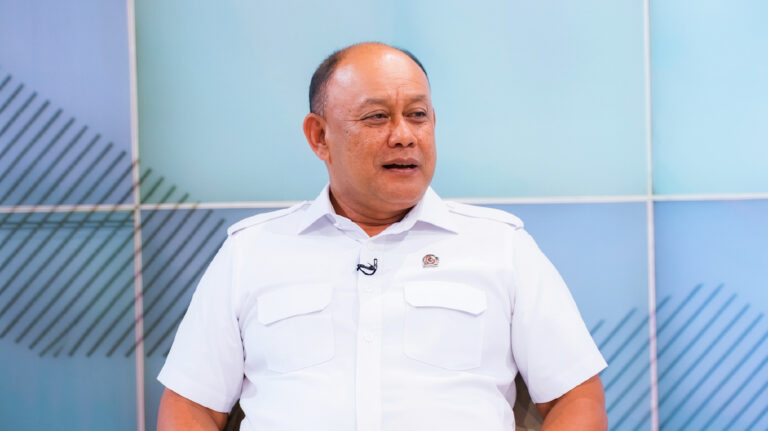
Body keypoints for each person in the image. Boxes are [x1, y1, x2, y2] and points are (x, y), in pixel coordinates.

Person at [157, 42, 608, 431]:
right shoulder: (252, 251)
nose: (404, 136)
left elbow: (576, 398)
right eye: (376, 117)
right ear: (319, 137)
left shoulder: (501, 246)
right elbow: (190, 408)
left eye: (418, 115)